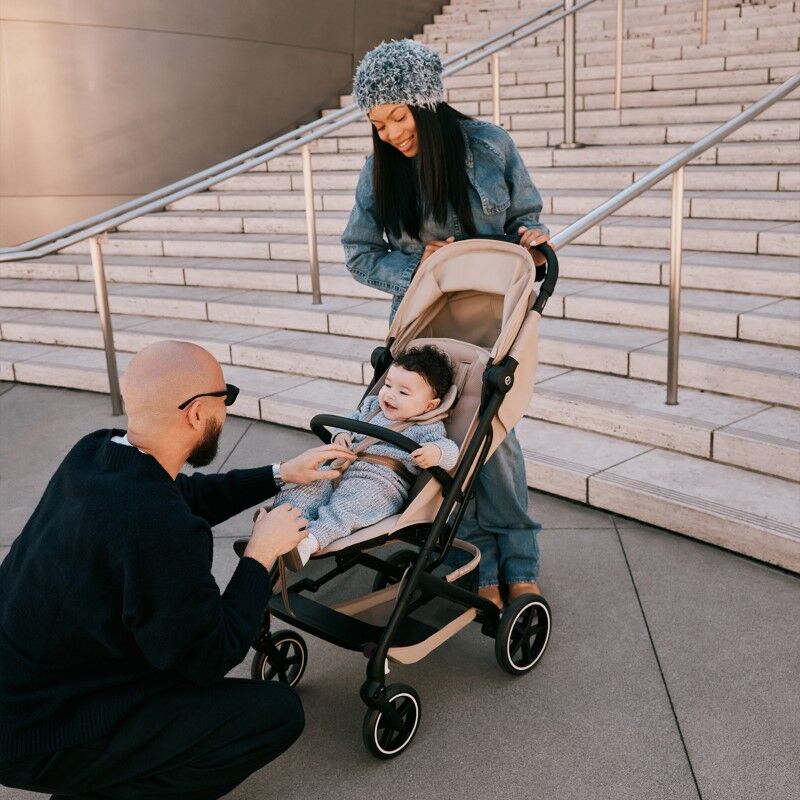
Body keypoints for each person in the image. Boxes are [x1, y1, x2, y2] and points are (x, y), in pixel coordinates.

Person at [0, 340, 355, 800]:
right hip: (44, 730)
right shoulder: (158, 530)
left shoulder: (95, 453)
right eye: (226, 398)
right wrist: (260, 554)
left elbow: (182, 496)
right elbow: (211, 655)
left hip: (28, 689)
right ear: (197, 414)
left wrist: (280, 472)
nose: (227, 410)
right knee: (276, 715)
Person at [341, 39, 551, 609]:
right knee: (444, 438)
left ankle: (520, 559)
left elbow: (525, 218)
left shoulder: (490, 145)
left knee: (494, 440)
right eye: (378, 124)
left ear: (426, 103)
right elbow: (359, 252)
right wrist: (418, 265)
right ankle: (478, 555)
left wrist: (532, 239)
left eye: (398, 117)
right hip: (425, 327)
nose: (390, 134)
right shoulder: (379, 171)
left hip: (496, 320)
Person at [276, 345, 459, 570]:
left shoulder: (428, 427)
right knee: (308, 489)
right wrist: (341, 434)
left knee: (348, 508)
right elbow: (351, 419)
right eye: (388, 385)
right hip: (344, 465)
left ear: (429, 406)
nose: (389, 394)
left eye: (403, 393)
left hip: (381, 481)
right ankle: (280, 525)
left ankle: (309, 542)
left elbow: (451, 451)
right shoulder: (372, 406)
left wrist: (435, 453)